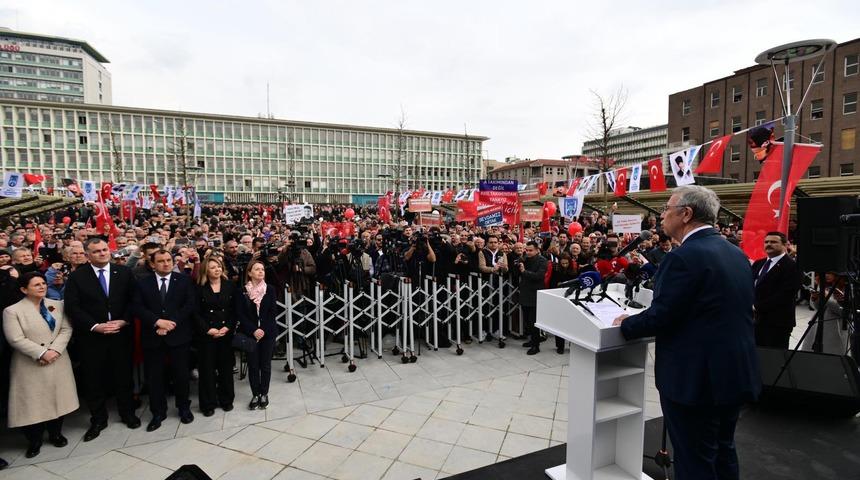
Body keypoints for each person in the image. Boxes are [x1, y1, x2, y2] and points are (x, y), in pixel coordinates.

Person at [613, 185, 760, 480]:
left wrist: (626, 324)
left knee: (695, 460)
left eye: (667, 209)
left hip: (696, 379)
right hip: (733, 371)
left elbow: (663, 315)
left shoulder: (682, 257)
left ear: (686, 214)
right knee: (722, 450)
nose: (662, 216)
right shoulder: (735, 253)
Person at [64, 237, 141, 441]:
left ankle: (127, 413)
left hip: (120, 334)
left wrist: (124, 321)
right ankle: (98, 418)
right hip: (92, 337)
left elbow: (134, 300)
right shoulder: (77, 277)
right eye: (96, 251)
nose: (102, 253)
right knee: (94, 379)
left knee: (123, 375)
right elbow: (73, 307)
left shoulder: (124, 272)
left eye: (105, 249)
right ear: (88, 254)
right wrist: (95, 326)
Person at [3, 272, 78, 458]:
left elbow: (66, 328)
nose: (42, 287)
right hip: (30, 364)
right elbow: (15, 338)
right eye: (36, 285)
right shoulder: (13, 311)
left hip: (58, 360)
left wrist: (56, 351)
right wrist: (42, 353)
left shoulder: (57, 305)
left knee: (58, 399)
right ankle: (34, 440)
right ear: (23, 289)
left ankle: (55, 433)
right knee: (33, 403)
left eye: (43, 283)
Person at [135, 249, 196, 431]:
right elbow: (137, 307)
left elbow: (189, 305)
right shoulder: (142, 283)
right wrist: (157, 322)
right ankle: (157, 412)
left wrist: (171, 323)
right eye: (161, 261)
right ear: (152, 264)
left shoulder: (184, 280)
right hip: (153, 337)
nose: (166, 264)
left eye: (169, 260)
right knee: (155, 377)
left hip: (178, 336)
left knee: (181, 375)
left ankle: (183, 407)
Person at [195, 256, 237, 416]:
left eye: (219, 266)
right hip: (207, 335)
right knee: (207, 370)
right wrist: (207, 329)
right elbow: (195, 313)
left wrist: (227, 327)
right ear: (206, 270)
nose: (217, 269)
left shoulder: (230, 286)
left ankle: (226, 400)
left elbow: (234, 311)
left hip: (225, 334)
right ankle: (208, 403)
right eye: (213, 267)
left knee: (226, 368)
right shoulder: (199, 288)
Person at [237, 260, 278, 410]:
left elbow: (272, 312)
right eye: (257, 269)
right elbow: (240, 314)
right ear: (249, 273)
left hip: (268, 333)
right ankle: (255, 394)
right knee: (253, 365)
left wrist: (263, 330)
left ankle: (264, 393)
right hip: (250, 333)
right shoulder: (242, 291)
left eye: (262, 269)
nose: (261, 271)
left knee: (265, 365)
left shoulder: (270, 289)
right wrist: (253, 330)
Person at [751, 232, 801, 349]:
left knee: (774, 360)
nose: (769, 244)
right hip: (754, 321)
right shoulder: (758, 264)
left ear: (785, 245)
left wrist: (756, 307)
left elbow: (785, 295)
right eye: (766, 242)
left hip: (777, 323)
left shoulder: (792, 267)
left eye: (773, 242)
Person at [518, 241, 548, 356]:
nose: (528, 252)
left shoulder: (542, 261)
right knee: (527, 320)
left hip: (535, 294)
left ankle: (536, 345)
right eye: (527, 250)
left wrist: (524, 271)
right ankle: (532, 340)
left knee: (533, 321)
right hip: (525, 293)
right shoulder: (524, 259)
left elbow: (538, 276)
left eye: (531, 250)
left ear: (537, 250)